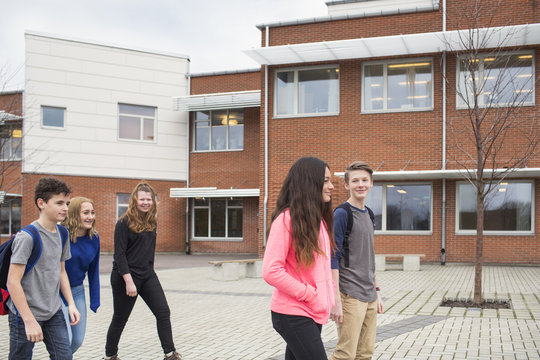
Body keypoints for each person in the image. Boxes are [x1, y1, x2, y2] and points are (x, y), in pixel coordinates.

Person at [262, 156, 336, 360]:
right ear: (309, 182)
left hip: (313, 310)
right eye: (326, 181)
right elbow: (270, 271)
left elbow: (322, 267)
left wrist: (329, 296)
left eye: (331, 181)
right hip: (293, 313)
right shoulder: (286, 220)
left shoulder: (318, 221)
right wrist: (309, 294)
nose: (331, 186)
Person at [104, 181, 181, 360]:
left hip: (147, 275)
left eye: (149, 199)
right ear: (134, 200)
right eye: (142, 199)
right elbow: (120, 255)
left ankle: (170, 354)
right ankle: (110, 355)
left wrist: (149, 273)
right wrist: (129, 282)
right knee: (120, 318)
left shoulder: (151, 220)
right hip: (125, 277)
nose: (146, 202)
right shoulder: (124, 222)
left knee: (163, 312)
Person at [6, 177, 80, 360]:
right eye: (59, 203)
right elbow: (12, 281)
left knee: (64, 357)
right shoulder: (27, 237)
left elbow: (62, 272)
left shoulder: (63, 233)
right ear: (41, 203)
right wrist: (29, 320)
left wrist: (71, 303)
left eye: (67, 203)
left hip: (53, 311)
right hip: (25, 314)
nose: (65, 208)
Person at [329, 161, 384, 360]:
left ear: (371, 183)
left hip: (369, 295)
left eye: (364, 180)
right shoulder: (342, 214)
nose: (360, 184)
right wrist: (335, 299)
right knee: (345, 354)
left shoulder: (369, 214)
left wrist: (377, 292)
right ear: (346, 185)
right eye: (355, 181)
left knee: (365, 354)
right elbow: (332, 257)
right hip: (350, 295)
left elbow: (369, 255)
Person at [61, 196, 100, 354]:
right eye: (85, 212)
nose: (90, 217)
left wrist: (95, 299)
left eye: (92, 212)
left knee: (77, 341)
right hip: (56, 292)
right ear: (74, 214)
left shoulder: (94, 238)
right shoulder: (61, 234)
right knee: (66, 339)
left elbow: (94, 270)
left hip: (77, 290)